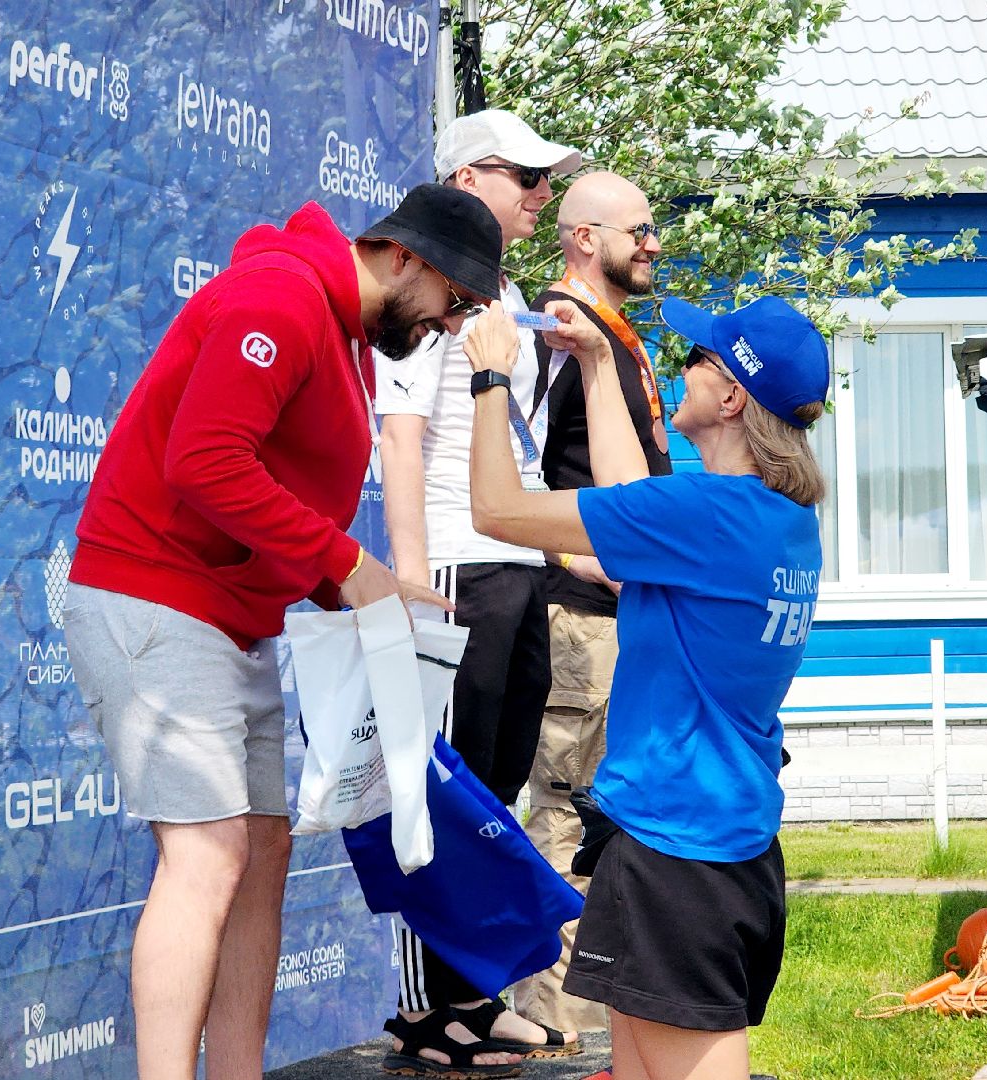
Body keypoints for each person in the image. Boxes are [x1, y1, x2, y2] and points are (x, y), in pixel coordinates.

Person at [60, 184, 502, 1080]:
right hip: (157, 598)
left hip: (231, 617)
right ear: (403, 257)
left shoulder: (344, 335)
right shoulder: (280, 297)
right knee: (208, 854)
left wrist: (350, 588)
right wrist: (345, 563)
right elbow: (204, 460)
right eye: (454, 299)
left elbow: (273, 495)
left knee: (260, 855)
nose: (452, 325)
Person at [462, 293, 829, 1080]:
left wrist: (490, 377)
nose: (680, 368)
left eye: (698, 359)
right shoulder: (774, 520)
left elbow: (494, 510)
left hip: (676, 856)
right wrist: (599, 362)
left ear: (731, 399)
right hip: (706, 840)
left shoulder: (704, 514)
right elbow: (632, 497)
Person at [374, 109, 585, 1075]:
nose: (541, 195)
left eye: (548, 181)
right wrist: (412, 579)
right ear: (467, 179)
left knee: (493, 790)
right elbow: (400, 437)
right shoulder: (431, 288)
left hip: (516, 563)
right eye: (525, 177)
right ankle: (427, 1009)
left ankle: (474, 994)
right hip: (455, 567)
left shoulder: (510, 296)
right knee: (441, 790)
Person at [513, 171, 671, 1036]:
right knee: (565, 816)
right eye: (637, 230)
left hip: (631, 619)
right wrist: (581, 560)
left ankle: (603, 1017)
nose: (653, 243)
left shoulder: (611, 331)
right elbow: (516, 473)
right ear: (582, 237)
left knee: (618, 819)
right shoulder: (555, 328)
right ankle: (551, 1021)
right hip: (577, 619)